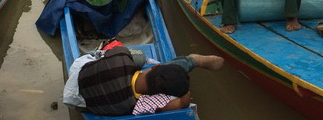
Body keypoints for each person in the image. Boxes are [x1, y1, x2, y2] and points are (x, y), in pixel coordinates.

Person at [63, 44, 223, 116]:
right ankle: (192, 61)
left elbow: (112, 52)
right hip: (83, 101)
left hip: (78, 81)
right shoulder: (135, 105)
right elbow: (183, 101)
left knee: (139, 56)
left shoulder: (121, 57)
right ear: (159, 96)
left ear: (153, 68)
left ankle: (192, 60)